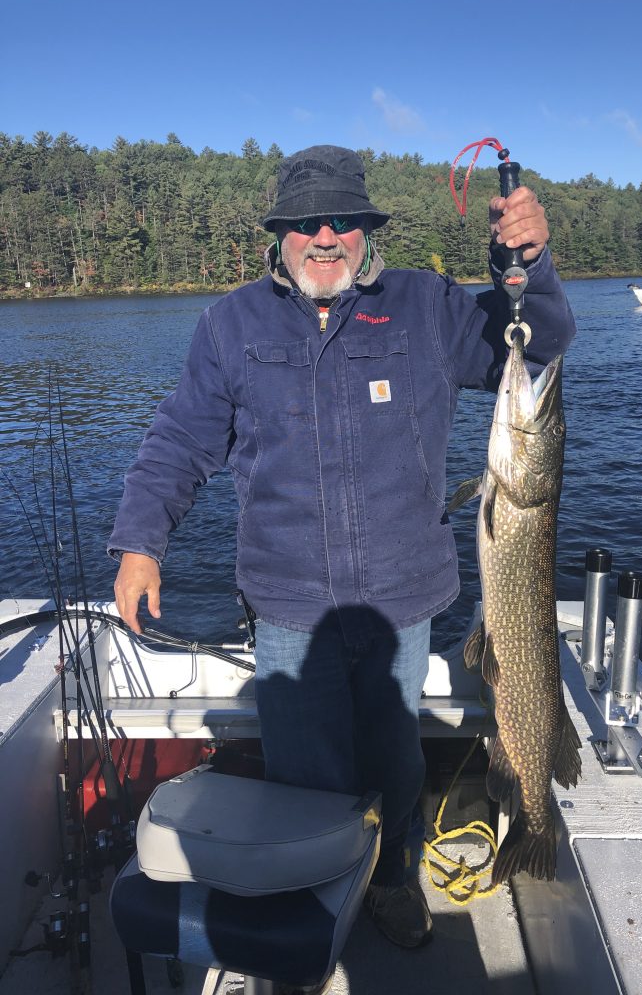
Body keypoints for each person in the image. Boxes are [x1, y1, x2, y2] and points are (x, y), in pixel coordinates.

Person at [108, 145, 575, 962]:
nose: (325, 237)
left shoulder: (424, 306)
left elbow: (535, 343)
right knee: (305, 772)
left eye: (343, 222)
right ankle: (311, 901)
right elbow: (180, 441)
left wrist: (529, 264)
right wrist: (140, 542)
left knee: (395, 761)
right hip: (289, 608)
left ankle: (391, 879)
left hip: (403, 600)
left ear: (366, 231)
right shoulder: (231, 324)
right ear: (279, 234)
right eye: (305, 223)